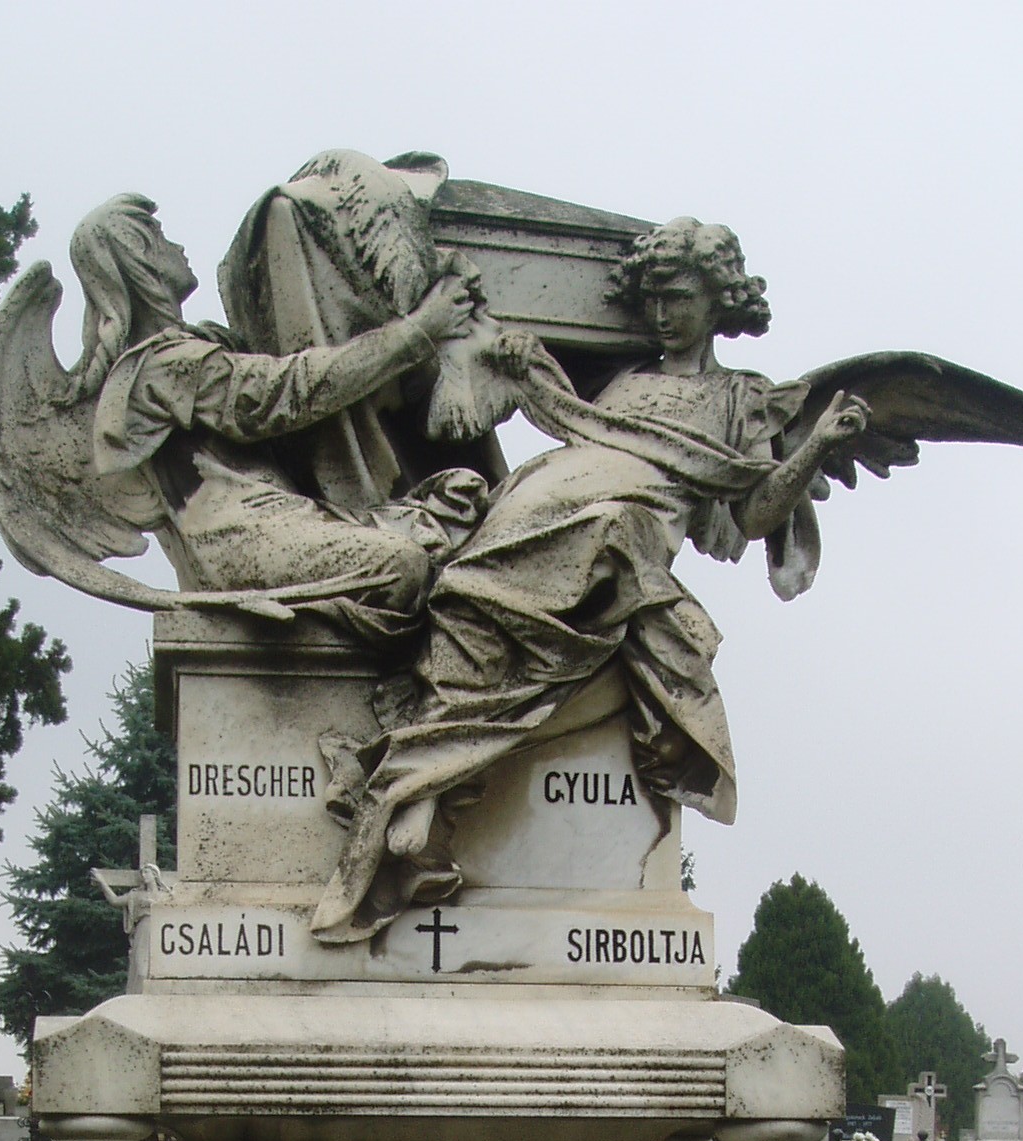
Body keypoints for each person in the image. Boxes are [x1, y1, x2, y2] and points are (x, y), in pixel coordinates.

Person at [309, 218, 869, 940]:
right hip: (544, 499)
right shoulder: (624, 382)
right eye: (653, 299)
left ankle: (413, 784)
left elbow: (755, 510)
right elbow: (576, 429)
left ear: (718, 299)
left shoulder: (741, 397)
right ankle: (426, 789)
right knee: (460, 584)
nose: (662, 314)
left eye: (679, 298)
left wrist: (816, 445)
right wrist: (526, 368)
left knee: (536, 566)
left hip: (618, 528)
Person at [66, 195, 487, 640]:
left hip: (290, 516)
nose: (178, 247)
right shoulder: (159, 367)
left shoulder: (204, 345)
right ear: (140, 259)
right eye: (161, 238)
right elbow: (289, 392)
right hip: (242, 545)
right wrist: (418, 329)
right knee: (401, 565)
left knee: (457, 502)